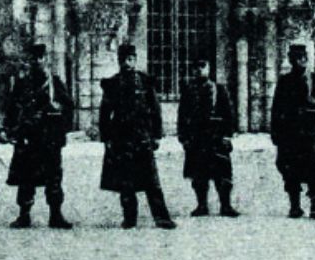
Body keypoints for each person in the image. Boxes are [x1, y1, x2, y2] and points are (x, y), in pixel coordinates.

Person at [99, 43, 176, 229]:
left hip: (142, 136)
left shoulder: (145, 82)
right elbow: (104, 114)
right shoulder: (112, 84)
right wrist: (107, 139)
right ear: (119, 61)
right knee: (126, 181)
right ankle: (129, 218)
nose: (127, 63)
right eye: (123, 60)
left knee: (151, 180)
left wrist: (157, 135)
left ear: (135, 60)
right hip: (121, 138)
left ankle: (162, 218)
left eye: (130, 59)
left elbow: (156, 110)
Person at [3, 40, 75, 229]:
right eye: (33, 58)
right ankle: (24, 215)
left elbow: (69, 106)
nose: (36, 62)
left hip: (50, 138)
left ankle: (56, 215)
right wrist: (10, 129)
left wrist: (60, 124)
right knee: (26, 178)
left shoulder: (54, 83)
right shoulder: (22, 84)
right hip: (29, 138)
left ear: (46, 59)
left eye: (40, 58)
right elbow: (11, 108)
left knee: (54, 177)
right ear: (29, 61)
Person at [270, 42, 315, 221]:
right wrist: (275, 133)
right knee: (290, 167)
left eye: (304, 58)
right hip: (290, 132)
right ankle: (295, 206)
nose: (301, 61)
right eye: (297, 58)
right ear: (292, 61)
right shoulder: (285, 81)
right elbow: (276, 108)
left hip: (310, 131)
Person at [177, 55, 239, 217]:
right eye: (196, 67)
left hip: (216, 137)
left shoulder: (219, 89)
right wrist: (183, 137)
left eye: (203, 66)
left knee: (223, 174)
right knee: (198, 174)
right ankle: (201, 205)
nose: (199, 70)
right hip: (197, 138)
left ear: (209, 69)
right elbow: (182, 115)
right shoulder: (189, 90)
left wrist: (227, 135)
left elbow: (229, 114)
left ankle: (226, 205)